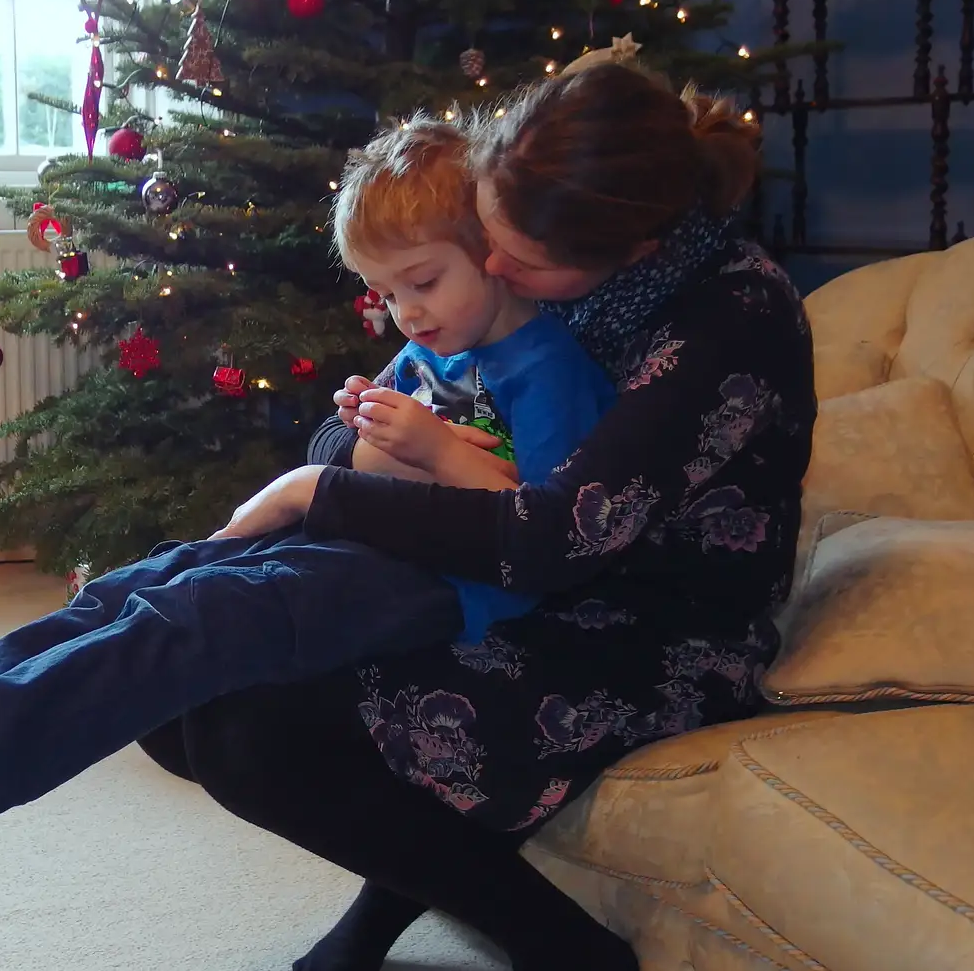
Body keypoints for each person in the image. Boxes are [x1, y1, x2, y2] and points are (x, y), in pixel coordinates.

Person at [138, 54, 817, 971]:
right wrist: (368, 457)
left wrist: (325, 493)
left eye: (519, 260)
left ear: (631, 252)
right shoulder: (541, 272)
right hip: (490, 577)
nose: (491, 269)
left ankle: (567, 950)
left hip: (652, 630)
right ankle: (393, 899)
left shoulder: (730, 317)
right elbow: (341, 438)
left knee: (247, 727)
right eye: (488, 241)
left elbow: (551, 539)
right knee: (173, 665)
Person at [0, 116, 615, 828]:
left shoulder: (547, 368)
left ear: (493, 255)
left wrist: (429, 450)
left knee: (207, 612)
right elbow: (344, 453)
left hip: (452, 587)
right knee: (146, 580)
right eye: (387, 294)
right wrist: (369, 431)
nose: (407, 313)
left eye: (423, 281)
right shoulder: (428, 347)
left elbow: (542, 530)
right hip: (359, 539)